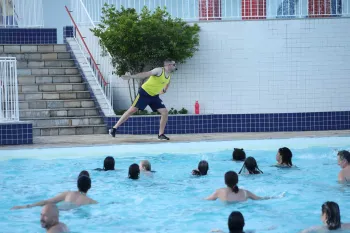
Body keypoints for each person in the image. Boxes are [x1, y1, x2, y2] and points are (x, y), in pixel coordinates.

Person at [109, 59, 178, 140]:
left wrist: (163, 90)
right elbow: (146, 74)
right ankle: (114, 129)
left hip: (154, 96)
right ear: (169, 65)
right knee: (132, 110)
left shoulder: (169, 75)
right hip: (144, 93)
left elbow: (167, 85)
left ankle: (161, 134)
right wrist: (132, 76)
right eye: (174, 64)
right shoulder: (159, 70)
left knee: (164, 112)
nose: (175, 66)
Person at [11, 175, 97, 210]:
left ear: (77, 185)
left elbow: (46, 202)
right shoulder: (91, 201)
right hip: (75, 211)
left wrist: (26, 206)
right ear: (90, 187)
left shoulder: (68, 193)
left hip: (59, 209)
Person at [205, 171, 278, 202]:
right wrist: (275, 197)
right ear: (237, 182)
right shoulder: (245, 192)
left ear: (225, 182)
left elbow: (207, 200)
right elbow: (259, 198)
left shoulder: (219, 191)